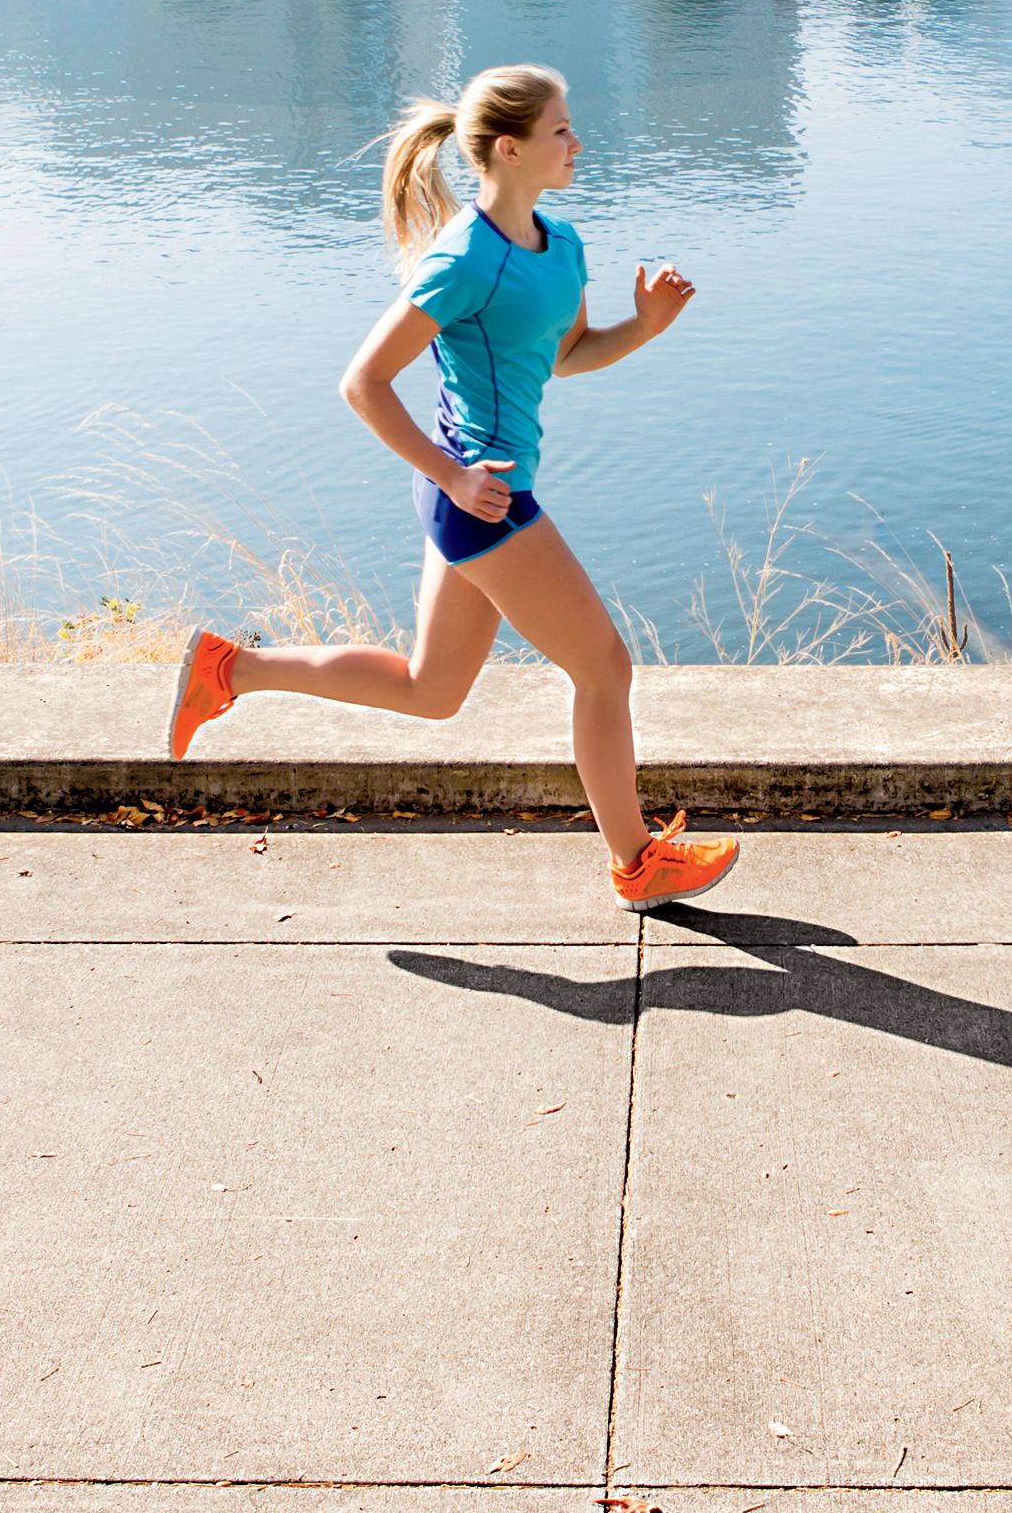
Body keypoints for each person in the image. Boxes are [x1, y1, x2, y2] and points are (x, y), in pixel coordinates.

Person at [165, 63, 739, 912]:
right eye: (559, 132)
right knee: (605, 667)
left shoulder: (563, 244)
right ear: (509, 149)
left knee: (430, 691)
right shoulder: (464, 260)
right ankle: (636, 861)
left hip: (477, 495)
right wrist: (453, 476)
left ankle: (230, 669)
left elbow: (566, 357)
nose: (577, 143)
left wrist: (646, 327)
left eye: (572, 127)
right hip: (482, 498)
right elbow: (363, 382)